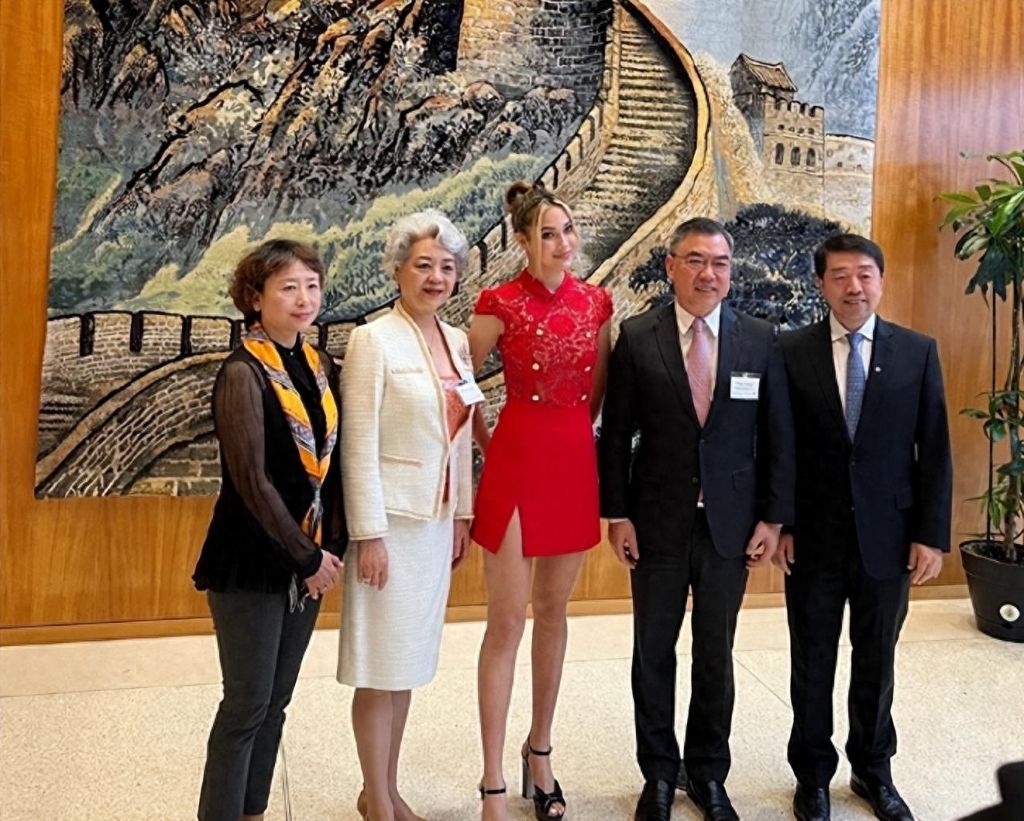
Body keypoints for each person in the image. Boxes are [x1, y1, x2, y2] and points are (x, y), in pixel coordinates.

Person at [598, 217, 795, 821]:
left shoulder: (760, 338)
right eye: (696, 261)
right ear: (671, 266)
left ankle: (709, 773)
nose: (709, 274)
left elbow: (778, 438)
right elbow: (615, 436)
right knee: (653, 651)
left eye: (720, 263)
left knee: (716, 652)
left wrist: (772, 520)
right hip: (655, 522)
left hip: (730, 527)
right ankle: (659, 774)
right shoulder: (638, 336)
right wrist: (617, 514)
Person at [774, 233, 952, 821]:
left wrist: (931, 534)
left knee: (877, 660)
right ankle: (812, 776)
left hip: (891, 538)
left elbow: (935, 449)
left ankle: (874, 769)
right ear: (821, 284)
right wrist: (782, 523)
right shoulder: (790, 350)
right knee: (812, 661)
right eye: (840, 276)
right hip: (813, 538)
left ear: (881, 280)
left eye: (865, 275)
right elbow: (780, 446)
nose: (854, 287)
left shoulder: (916, 351)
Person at [470, 181, 613, 821]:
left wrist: (575, 439)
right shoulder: (498, 302)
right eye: (547, 234)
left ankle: (541, 751)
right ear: (524, 241)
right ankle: (492, 780)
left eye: (567, 231)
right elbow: (458, 383)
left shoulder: (596, 303)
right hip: (516, 458)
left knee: (554, 612)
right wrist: (486, 442)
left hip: (572, 461)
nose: (561, 243)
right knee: (506, 621)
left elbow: (598, 392)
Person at [192, 239, 346, 821]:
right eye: (288, 287)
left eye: (312, 286)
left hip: (309, 558)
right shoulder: (242, 372)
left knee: (276, 703)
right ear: (255, 298)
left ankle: (253, 811)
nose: (304, 298)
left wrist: (328, 549)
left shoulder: (320, 366)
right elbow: (252, 483)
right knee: (246, 705)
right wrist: (308, 557)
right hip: (251, 561)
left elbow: (332, 467)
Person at [339, 210, 477, 821]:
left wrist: (462, 513)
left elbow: (460, 437)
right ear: (397, 270)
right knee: (379, 666)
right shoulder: (373, 340)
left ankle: (386, 792)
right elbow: (358, 444)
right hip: (390, 526)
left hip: (435, 523)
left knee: (408, 664)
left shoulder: (457, 341)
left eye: (446, 267)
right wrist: (368, 535)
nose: (435, 277)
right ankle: (377, 798)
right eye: (423, 265)